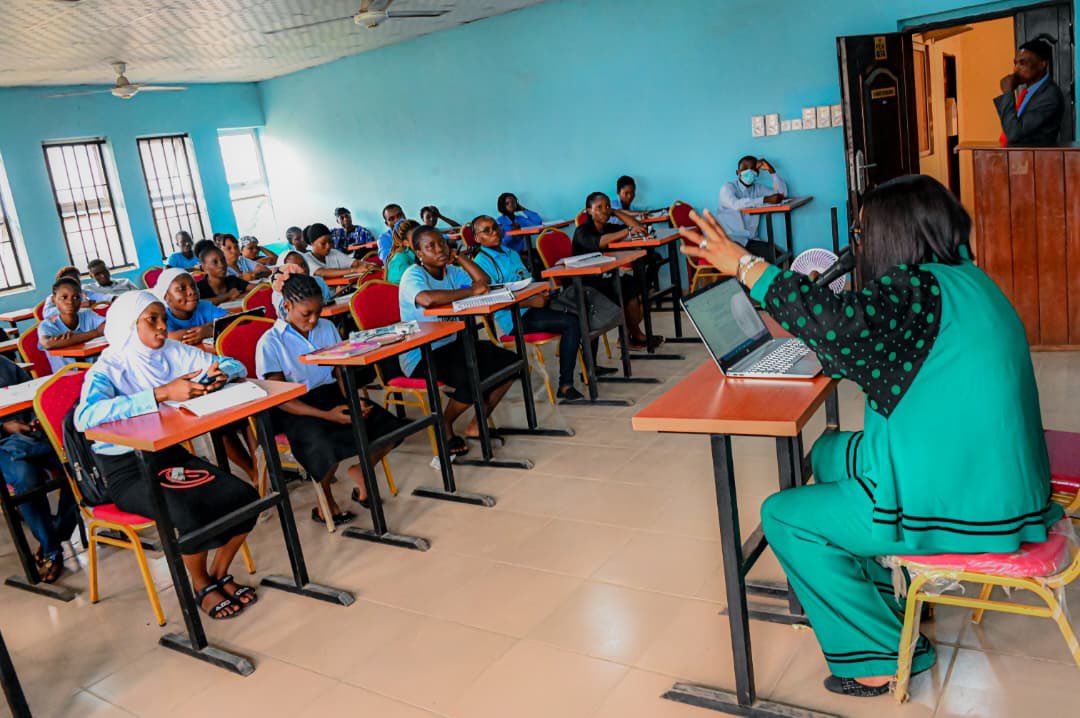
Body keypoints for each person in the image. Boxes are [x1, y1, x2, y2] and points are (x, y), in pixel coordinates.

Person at [679, 174, 1064, 698]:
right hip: (987, 471)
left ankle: (881, 658)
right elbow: (870, 343)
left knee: (784, 516)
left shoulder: (916, 290)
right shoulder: (963, 279)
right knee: (828, 453)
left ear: (892, 235)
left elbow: (841, 325)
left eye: (864, 234)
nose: (859, 246)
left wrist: (745, 266)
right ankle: (888, 602)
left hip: (962, 499)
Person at [75, 291, 261, 619]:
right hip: (127, 470)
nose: (163, 327)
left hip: (169, 455)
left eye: (163, 318)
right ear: (130, 326)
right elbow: (85, 416)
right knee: (190, 512)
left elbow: (232, 363)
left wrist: (220, 374)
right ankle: (201, 583)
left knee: (245, 497)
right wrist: (160, 394)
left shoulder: (172, 352)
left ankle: (218, 574)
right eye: (153, 320)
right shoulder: (109, 368)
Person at [256, 273, 408, 527]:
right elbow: (281, 400)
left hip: (330, 395)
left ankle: (362, 469)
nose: (314, 320)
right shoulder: (270, 343)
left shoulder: (326, 328)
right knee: (323, 443)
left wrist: (352, 398)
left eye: (318, 311)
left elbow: (339, 370)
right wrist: (328, 415)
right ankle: (323, 500)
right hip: (295, 408)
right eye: (307, 314)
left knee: (390, 427)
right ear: (287, 306)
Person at [397, 227, 518, 455]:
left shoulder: (451, 271)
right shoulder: (413, 274)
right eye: (429, 246)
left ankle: (477, 423)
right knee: (470, 378)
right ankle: (445, 424)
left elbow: (484, 281)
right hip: (421, 353)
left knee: (511, 364)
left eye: (441, 243)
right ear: (418, 253)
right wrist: (470, 291)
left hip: (451, 345)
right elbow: (427, 299)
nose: (438, 249)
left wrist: (460, 257)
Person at [471, 215, 585, 401]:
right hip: (514, 318)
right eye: (487, 231)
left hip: (533, 306)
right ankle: (565, 385)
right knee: (570, 323)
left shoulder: (511, 253)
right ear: (477, 238)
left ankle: (590, 369)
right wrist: (530, 302)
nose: (494, 233)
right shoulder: (481, 264)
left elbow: (526, 282)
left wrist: (542, 293)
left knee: (581, 307)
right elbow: (492, 302)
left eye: (495, 227)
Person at [0, 355, 78, 583]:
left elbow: (35, 393)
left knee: (76, 465)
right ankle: (52, 550)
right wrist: (5, 426)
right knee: (27, 478)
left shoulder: (4, 364)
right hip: (3, 443)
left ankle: (55, 535)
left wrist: (36, 420)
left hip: (30, 436)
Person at [572, 192, 656, 350]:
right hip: (587, 284)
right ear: (589, 211)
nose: (604, 210)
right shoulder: (583, 231)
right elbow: (601, 242)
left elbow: (637, 226)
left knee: (642, 287)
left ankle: (631, 336)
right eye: (599, 207)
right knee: (627, 291)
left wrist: (616, 212)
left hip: (605, 277)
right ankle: (631, 336)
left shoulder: (607, 227)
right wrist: (628, 231)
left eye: (607, 206)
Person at [996, 38, 1065, 146]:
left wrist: (1007, 93)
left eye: (1022, 63)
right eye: (1015, 63)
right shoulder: (1028, 93)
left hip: (1035, 160)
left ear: (1042, 64)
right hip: (1018, 158)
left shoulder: (1049, 94)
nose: (1016, 69)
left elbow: (1013, 133)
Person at [716, 155, 788, 257]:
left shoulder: (758, 189)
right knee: (768, 258)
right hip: (731, 240)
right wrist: (764, 199)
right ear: (738, 172)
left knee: (779, 256)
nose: (749, 172)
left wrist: (771, 171)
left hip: (750, 241)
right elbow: (736, 205)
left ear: (757, 173)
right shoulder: (728, 188)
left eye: (753, 169)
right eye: (745, 169)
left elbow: (782, 195)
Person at [38, 277, 106, 372]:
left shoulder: (87, 315)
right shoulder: (48, 325)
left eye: (76, 297)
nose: (70, 302)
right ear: (54, 300)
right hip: (67, 378)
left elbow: (108, 326)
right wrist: (95, 333)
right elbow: (48, 343)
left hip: (95, 374)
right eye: (64, 297)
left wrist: (71, 339)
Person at [154, 268, 227, 344]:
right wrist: (212, 329)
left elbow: (232, 320)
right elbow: (168, 337)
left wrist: (210, 329)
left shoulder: (204, 306)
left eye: (193, 286)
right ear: (166, 297)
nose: (192, 291)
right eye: (182, 289)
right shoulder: (162, 317)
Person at [303, 223, 377, 281]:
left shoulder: (333, 252)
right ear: (312, 243)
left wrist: (367, 265)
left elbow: (354, 263)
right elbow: (322, 272)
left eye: (330, 242)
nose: (328, 246)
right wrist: (354, 270)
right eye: (323, 243)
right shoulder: (306, 258)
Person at [271, 250, 335, 315]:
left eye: (303, 265)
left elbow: (328, 303)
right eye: (296, 268)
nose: (303, 270)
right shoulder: (281, 292)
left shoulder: (318, 280)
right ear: (285, 271)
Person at [42, 266, 112, 320]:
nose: (76, 283)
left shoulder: (83, 293)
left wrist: (113, 298)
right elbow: (47, 313)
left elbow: (101, 297)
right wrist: (78, 305)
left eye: (77, 280)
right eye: (71, 281)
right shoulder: (53, 297)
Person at [385, 219, 420, 284]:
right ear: (406, 243)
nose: (422, 239)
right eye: (416, 237)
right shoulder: (399, 260)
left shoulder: (418, 253)